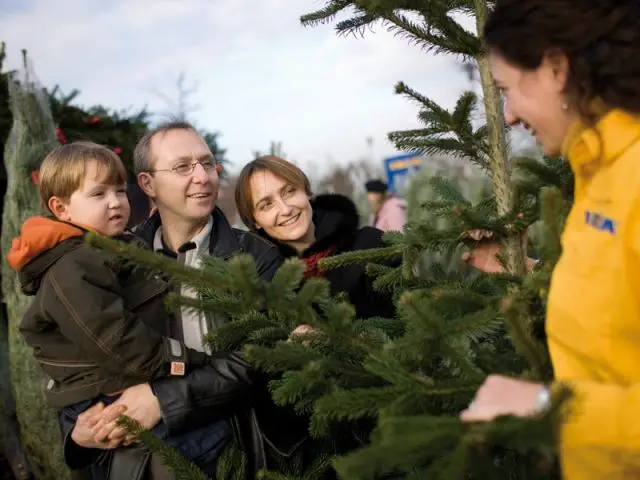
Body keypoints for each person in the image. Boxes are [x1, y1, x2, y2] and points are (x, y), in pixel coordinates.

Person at [460, 1, 640, 479]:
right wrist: (525, 268)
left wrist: (545, 406)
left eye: (507, 91)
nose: (510, 116)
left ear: (557, 68)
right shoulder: (599, 175)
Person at [66, 123, 307, 479]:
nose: (203, 177)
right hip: (133, 463)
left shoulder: (256, 257)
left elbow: (265, 357)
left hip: (235, 454)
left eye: (207, 164)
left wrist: (163, 400)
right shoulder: (111, 259)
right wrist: (76, 431)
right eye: (183, 167)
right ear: (148, 184)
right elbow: (75, 352)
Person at [5, 141, 244, 478]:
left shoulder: (115, 248)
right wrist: (183, 361)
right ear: (61, 208)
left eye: (119, 190)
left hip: (119, 381)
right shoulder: (72, 266)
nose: (116, 202)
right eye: (98, 194)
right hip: (104, 392)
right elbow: (114, 339)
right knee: (208, 445)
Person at [235, 155, 396, 321]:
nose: (285, 209)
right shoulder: (262, 285)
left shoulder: (370, 246)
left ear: (306, 192)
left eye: (289, 191)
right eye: (267, 205)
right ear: (255, 221)